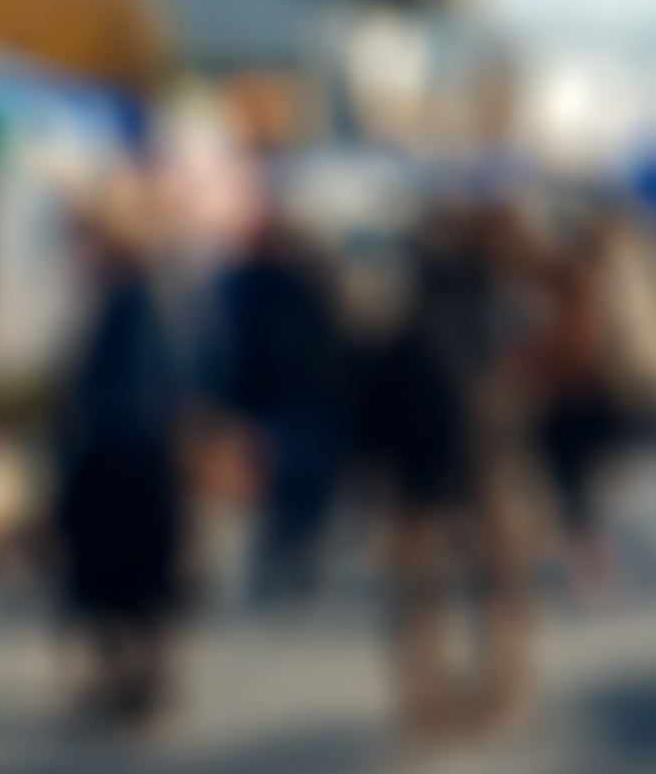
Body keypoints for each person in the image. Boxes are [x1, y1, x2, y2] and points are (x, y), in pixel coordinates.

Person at [352, 204, 535, 738]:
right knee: (494, 585)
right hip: (482, 462)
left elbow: (369, 403)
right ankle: (496, 690)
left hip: (421, 469)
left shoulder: (402, 319)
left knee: (422, 593)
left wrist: (371, 468)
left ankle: (428, 701)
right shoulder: (497, 313)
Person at [48, 200, 194, 729]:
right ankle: (136, 681)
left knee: (124, 582)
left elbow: (129, 390)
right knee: (135, 584)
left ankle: (137, 683)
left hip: (123, 458)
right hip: (135, 456)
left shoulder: (131, 299)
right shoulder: (139, 295)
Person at [214, 210, 355, 602]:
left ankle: (290, 560)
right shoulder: (261, 286)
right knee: (284, 490)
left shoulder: (279, 287)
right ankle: (286, 560)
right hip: (285, 404)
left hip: (299, 403)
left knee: (296, 491)